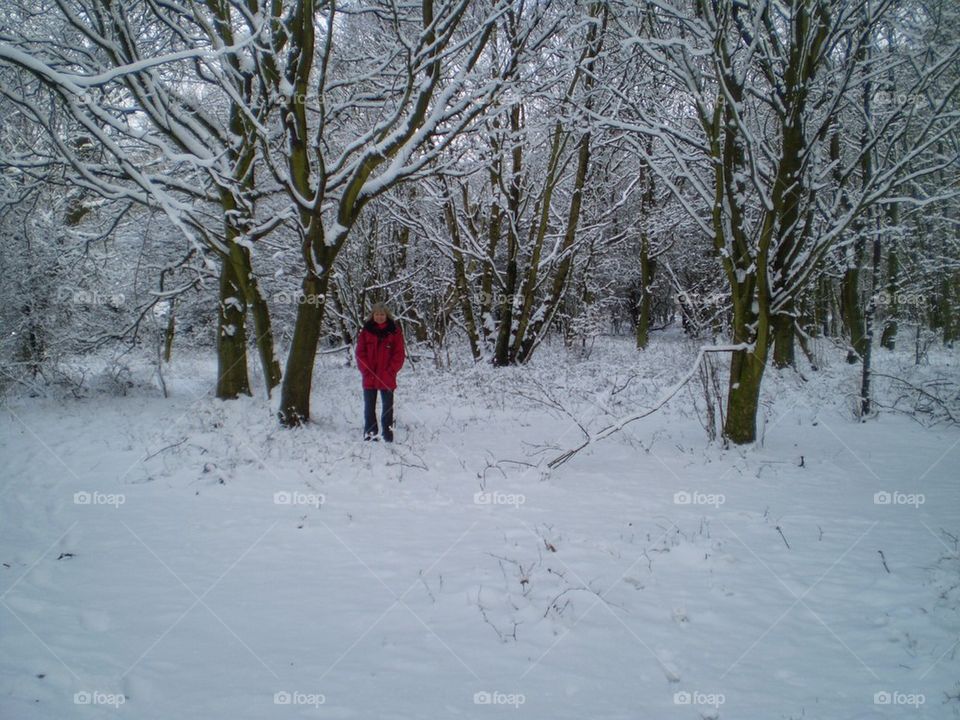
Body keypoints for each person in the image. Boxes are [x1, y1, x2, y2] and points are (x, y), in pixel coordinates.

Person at [355, 302, 405, 441]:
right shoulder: (366, 331)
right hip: (369, 375)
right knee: (369, 407)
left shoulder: (394, 331)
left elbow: (399, 354)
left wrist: (391, 370)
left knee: (387, 407)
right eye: (377, 314)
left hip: (387, 376)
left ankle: (388, 434)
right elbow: (360, 352)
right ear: (373, 315)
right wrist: (366, 370)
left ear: (386, 315)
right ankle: (370, 434)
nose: (379, 317)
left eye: (382, 314)